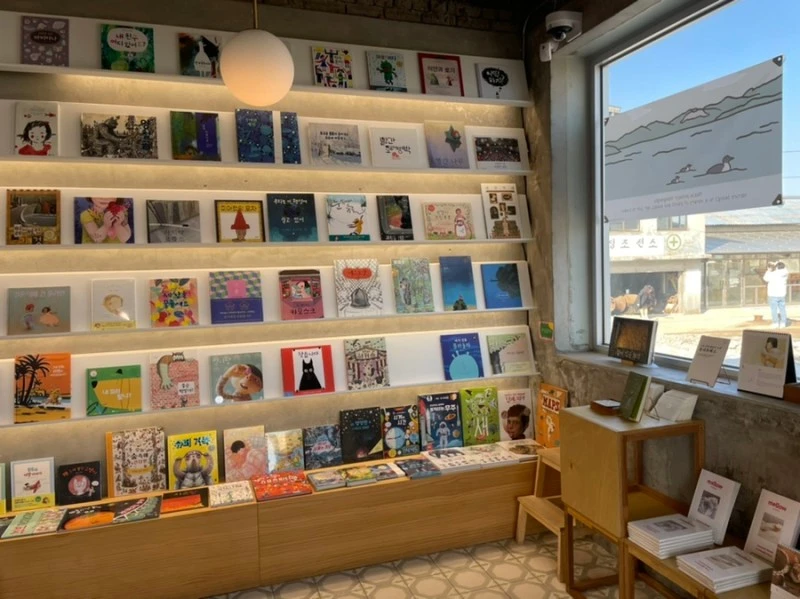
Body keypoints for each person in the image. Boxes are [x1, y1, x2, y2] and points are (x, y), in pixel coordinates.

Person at [763, 261, 788, 328]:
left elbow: (765, 278)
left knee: (774, 309)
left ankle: (775, 323)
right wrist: (777, 263)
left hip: (773, 294)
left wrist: (768, 270)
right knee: (782, 309)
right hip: (782, 294)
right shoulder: (785, 273)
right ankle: (783, 323)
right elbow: (784, 267)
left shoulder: (772, 274)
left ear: (776, 267)